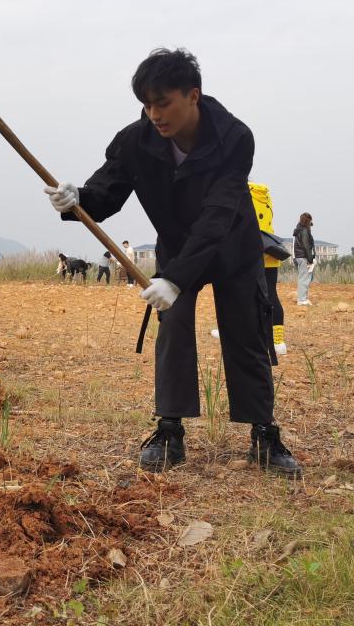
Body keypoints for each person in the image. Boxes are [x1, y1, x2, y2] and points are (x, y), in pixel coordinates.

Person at [45, 47, 299, 476]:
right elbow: (106, 193)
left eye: (163, 103)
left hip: (233, 247)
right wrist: (76, 199)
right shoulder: (136, 140)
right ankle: (169, 431)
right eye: (146, 105)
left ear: (192, 95)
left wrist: (176, 278)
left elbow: (219, 213)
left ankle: (264, 434)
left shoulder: (234, 137)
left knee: (246, 333)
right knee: (173, 330)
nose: (155, 114)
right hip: (177, 247)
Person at [249, 183, 288, 354]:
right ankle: (278, 341)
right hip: (271, 251)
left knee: (240, 295)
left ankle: (236, 331)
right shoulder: (264, 196)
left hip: (252, 251)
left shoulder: (246, 194)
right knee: (271, 294)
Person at [292, 213, 315, 305]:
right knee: (304, 278)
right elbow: (306, 246)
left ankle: (303, 298)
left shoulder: (298, 229)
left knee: (305, 277)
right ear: (307, 221)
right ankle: (302, 300)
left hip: (298, 256)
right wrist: (310, 259)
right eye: (310, 221)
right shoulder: (304, 231)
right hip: (303, 257)